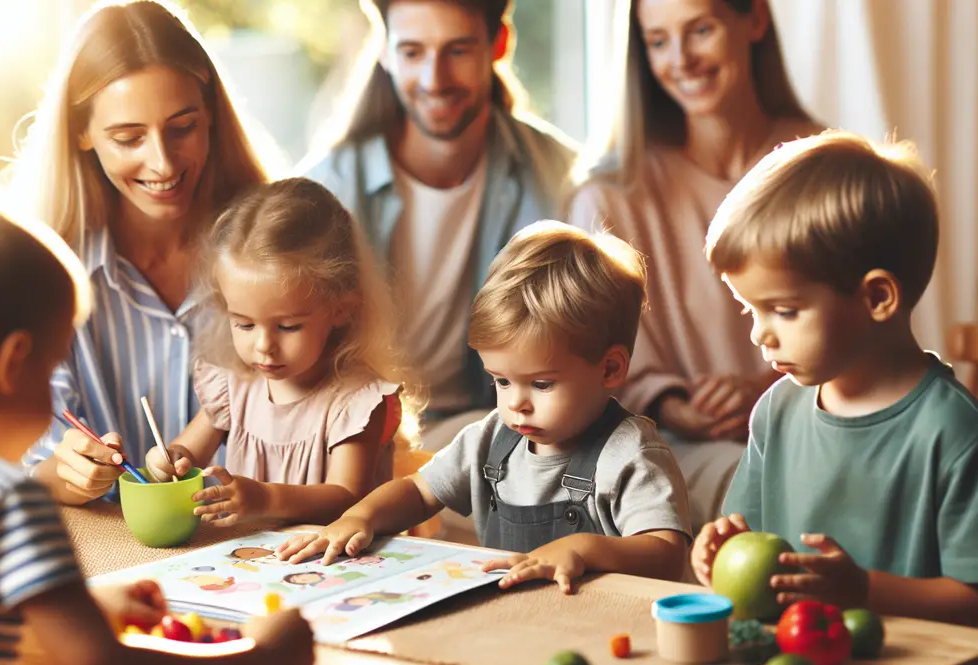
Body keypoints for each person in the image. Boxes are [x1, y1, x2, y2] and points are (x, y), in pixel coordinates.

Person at [0, 175, 314, 665]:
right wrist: (261, 659)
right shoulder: (4, 499)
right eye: (53, 363)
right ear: (14, 363)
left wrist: (87, 603)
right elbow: (100, 664)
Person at [691, 131, 978, 631]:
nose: (761, 333)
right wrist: (713, 551)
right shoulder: (776, 412)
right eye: (749, 309)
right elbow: (749, 546)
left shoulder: (958, 435)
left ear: (877, 298)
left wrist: (864, 591)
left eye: (784, 310)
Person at [277, 223, 692, 593]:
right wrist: (362, 516)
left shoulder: (631, 455)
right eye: (501, 381)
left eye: (542, 384)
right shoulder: (494, 438)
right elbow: (419, 491)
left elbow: (668, 553)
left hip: (600, 624)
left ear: (611, 368)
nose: (516, 404)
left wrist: (585, 548)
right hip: (510, 616)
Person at [7, 0, 275, 505]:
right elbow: (29, 464)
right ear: (81, 133)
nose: (162, 162)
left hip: (265, 542)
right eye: (128, 137)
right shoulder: (39, 276)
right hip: (111, 548)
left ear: (212, 117)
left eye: (182, 128)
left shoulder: (274, 246)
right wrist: (71, 472)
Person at [568, 0, 823, 528]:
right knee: (766, 481)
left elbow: (861, 323)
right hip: (670, 443)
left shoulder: (825, 166)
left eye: (700, 30)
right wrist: (674, 404)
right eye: (658, 41)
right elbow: (590, 359)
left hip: (813, 424)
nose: (680, 59)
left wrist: (764, 390)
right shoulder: (607, 198)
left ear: (753, 19)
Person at [300, 0, 577, 445]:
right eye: (412, 52)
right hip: (360, 439)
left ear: (498, 44)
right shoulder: (324, 190)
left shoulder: (563, 177)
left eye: (458, 50)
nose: (435, 79)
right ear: (385, 51)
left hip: (506, 429)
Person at [144, 178, 421, 526]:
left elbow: (348, 496)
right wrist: (165, 459)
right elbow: (186, 454)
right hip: (250, 566)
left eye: (288, 327)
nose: (264, 346)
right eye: (244, 325)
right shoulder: (233, 386)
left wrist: (264, 498)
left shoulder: (357, 403)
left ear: (341, 309)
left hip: (336, 567)